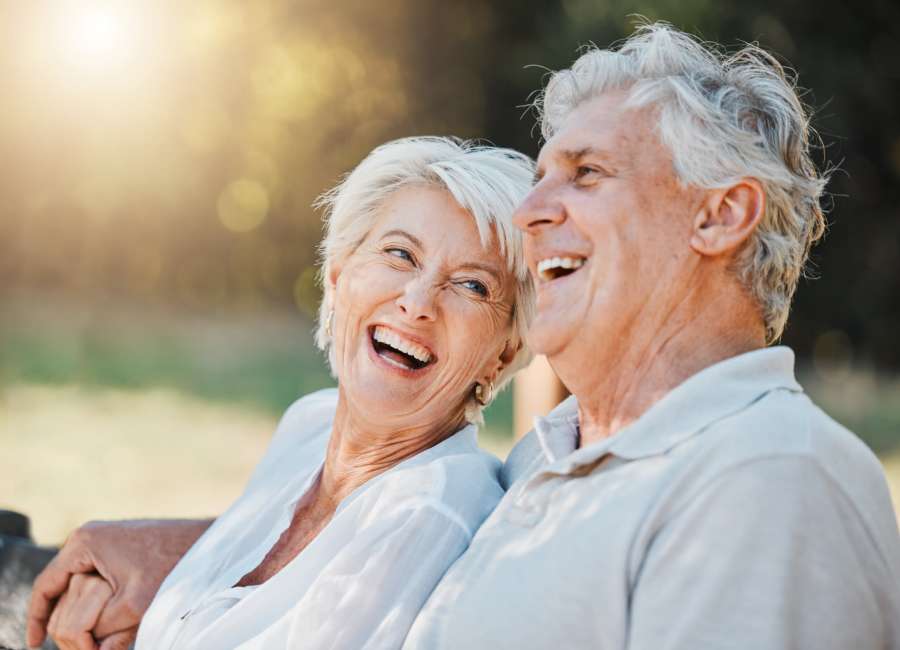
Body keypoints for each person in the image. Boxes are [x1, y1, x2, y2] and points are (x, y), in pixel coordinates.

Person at [29, 22, 900, 650]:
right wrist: (183, 553)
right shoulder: (546, 465)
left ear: (720, 216)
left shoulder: (769, 477)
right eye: (543, 175)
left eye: (586, 173)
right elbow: (374, 531)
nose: (531, 210)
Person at [27, 136, 536, 650]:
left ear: (504, 353)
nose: (418, 302)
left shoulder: (427, 511)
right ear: (337, 276)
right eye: (400, 254)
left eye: (473, 286)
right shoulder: (310, 426)